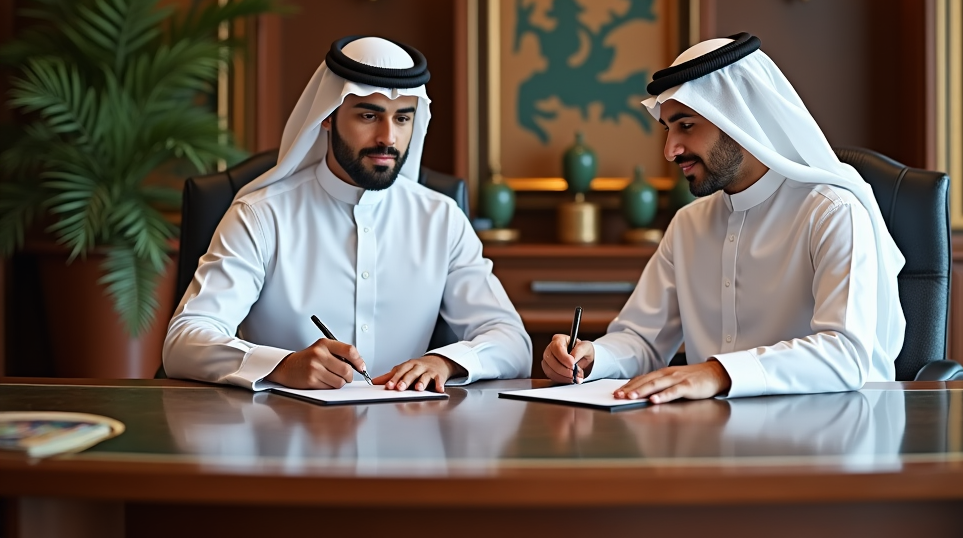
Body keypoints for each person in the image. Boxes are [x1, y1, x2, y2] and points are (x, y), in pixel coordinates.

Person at [542, 33, 906, 402]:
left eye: (686, 126)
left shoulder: (832, 213)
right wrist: (593, 358)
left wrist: (719, 372)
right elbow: (642, 340)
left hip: (829, 440)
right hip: (713, 440)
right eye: (668, 130)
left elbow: (846, 353)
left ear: (737, 118)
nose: (670, 151)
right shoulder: (688, 226)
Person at [164, 36, 532, 392]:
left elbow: (513, 342)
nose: (387, 137)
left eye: (402, 118)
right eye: (369, 115)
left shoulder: (441, 219)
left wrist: (446, 362)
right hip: (282, 438)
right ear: (327, 117)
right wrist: (281, 366)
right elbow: (184, 341)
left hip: (411, 438)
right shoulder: (261, 216)